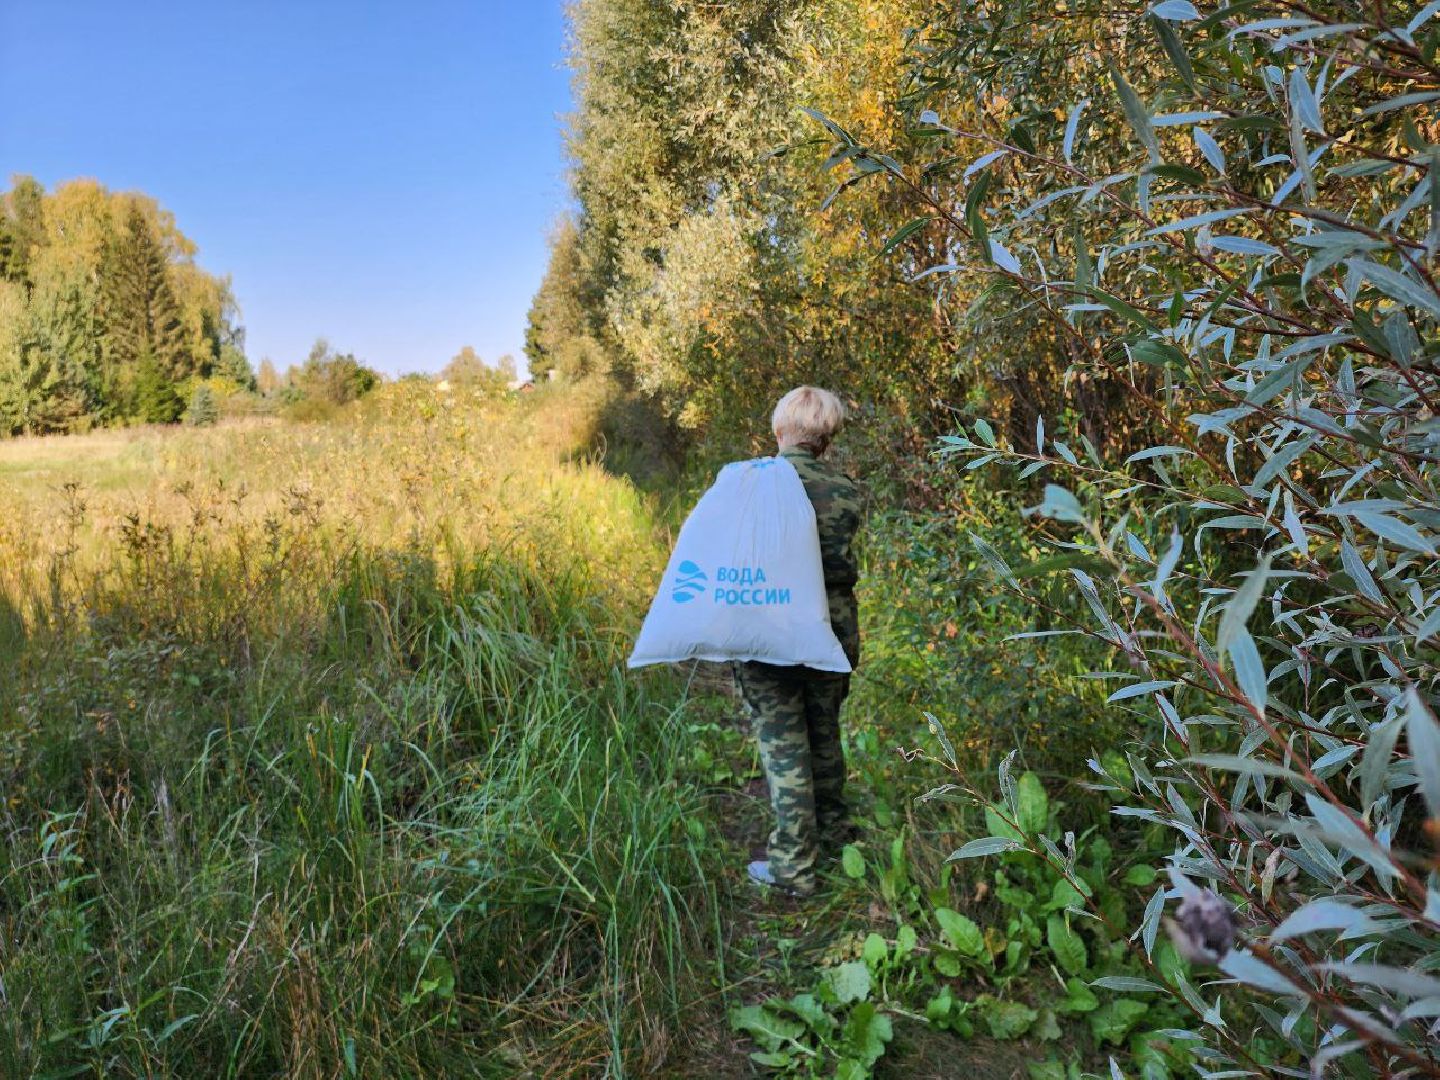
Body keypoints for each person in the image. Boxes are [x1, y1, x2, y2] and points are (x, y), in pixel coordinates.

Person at [738, 386, 862, 897]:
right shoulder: (847, 490)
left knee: (784, 745)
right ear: (828, 438)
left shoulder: (751, 483)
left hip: (770, 632)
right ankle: (835, 840)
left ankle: (793, 867)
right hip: (832, 629)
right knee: (824, 734)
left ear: (778, 430)